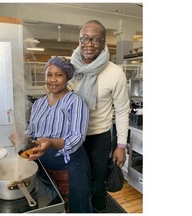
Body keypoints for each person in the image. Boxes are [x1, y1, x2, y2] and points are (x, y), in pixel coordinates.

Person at [69, 20, 130, 212]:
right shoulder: (69, 68)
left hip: (99, 137)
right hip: (71, 135)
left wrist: (121, 146)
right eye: (85, 39)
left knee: (97, 182)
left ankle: (99, 210)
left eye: (96, 39)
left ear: (103, 42)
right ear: (79, 40)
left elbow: (121, 111)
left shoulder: (115, 73)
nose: (89, 44)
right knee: (74, 179)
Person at [25, 56, 92, 213]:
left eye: (58, 75)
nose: (53, 80)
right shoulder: (39, 104)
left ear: (67, 77)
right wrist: (21, 137)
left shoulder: (75, 102)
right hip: (42, 165)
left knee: (77, 206)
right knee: (51, 204)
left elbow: (77, 136)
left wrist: (51, 143)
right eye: (49, 75)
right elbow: (32, 132)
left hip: (70, 165)